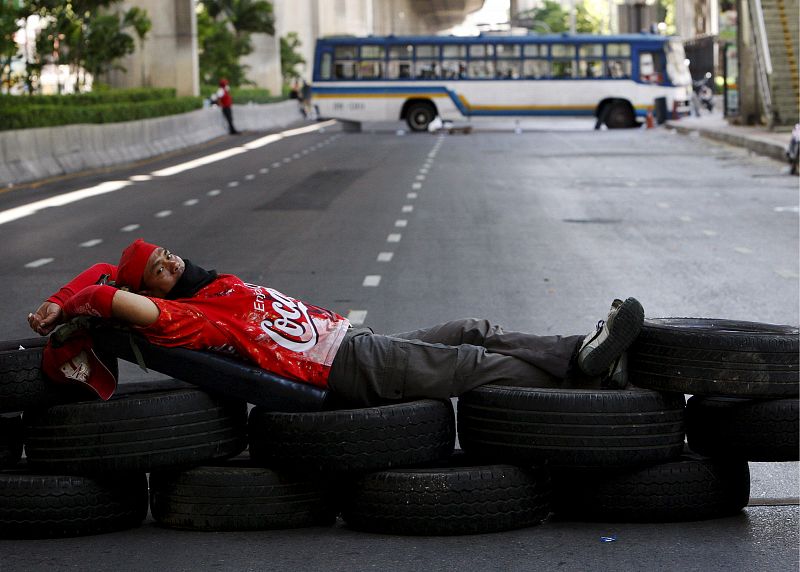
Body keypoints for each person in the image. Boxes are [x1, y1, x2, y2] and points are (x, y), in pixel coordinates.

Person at [28, 239, 645, 406]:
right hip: (343, 367)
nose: (165, 260)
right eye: (154, 270)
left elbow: (110, 268)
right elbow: (114, 298)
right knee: (469, 367)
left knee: (469, 327)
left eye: (162, 252)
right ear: (152, 294)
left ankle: (580, 351)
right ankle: (580, 371)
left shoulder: (211, 284)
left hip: (356, 342)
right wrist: (79, 306)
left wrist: (61, 295)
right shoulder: (185, 318)